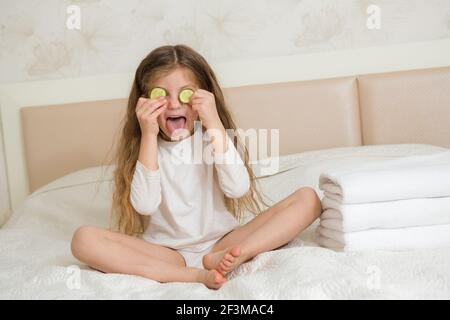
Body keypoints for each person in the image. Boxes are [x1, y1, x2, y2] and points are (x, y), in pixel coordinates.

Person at [71, 44, 322, 290]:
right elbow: (145, 204)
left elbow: (237, 188)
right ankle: (193, 276)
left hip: (222, 243)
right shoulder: (147, 149)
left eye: (185, 93)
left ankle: (240, 253)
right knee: (83, 240)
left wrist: (213, 121)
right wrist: (148, 135)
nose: (173, 104)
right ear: (144, 103)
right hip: (168, 253)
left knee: (308, 199)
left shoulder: (212, 138)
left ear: (203, 98)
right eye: (161, 95)